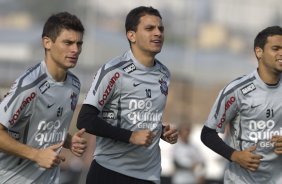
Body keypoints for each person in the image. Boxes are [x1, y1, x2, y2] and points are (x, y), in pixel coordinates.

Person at [77, 6, 178, 184]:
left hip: (149, 175)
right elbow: (85, 119)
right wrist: (130, 136)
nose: (158, 33)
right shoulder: (113, 71)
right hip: (110, 172)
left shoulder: (164, 74)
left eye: (160, 28)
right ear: (131, 35)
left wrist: (161, 131)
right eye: (149, 29)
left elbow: (137, 116)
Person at [0, 12, 87, 184]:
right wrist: (36, 155)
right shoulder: (30, 86)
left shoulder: (75, 85)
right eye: (68, 43)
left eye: (79, 43)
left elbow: (44, 128)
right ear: (47, 42)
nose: (75, 50)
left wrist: (68, 141)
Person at [201, 25, 282, 183]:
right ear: (259, 52)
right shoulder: (237, 91)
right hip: (241, 179)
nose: (281, 53)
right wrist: (235, 155)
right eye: (276, 48)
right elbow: (207, 134)